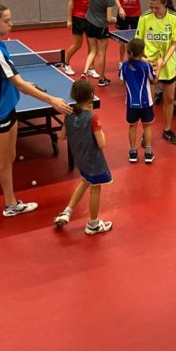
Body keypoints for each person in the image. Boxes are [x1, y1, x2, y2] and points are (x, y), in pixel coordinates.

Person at [0, 3, 73, 233]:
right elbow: (18, 83)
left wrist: (24, 84)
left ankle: (11, 204)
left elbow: (11, 77)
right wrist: (51, 100)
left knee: (9, 157)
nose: (11, 24)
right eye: (6, 21)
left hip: (8, 108)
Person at [52, 79, 113, 235]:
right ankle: (93, 224)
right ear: (92, 96)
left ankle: (67, 212)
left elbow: (62, 136)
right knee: (95, 189)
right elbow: (102, 144)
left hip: (80, 159)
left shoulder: (69, 115)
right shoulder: (93, 118)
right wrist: (101, 131)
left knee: (85, 181)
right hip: (94, 162)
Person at [135, 0, 176, 145]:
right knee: (148, 101)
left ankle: (167, 130)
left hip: (167, 65)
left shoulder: (174, 18)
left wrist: (164, 61)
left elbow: (174, 43)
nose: (153, 10)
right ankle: (146, 133)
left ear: (165, 4)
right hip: (149, 64)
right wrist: (143, 58)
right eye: (151, 6)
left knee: (170, 99)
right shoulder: (145, 18)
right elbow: (137, 42)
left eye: (157, 7)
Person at [83, 0, 129, 86]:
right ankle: (102, 79)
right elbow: (109, 19)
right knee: (102, 53)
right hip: (101, 27)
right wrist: (115, 19)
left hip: (89, 23)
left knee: (93, 51)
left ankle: (85, 72)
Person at [119, 38, 158, 164]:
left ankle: (133, 152)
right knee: (147, 127)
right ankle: (148, 153)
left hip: (131, 103)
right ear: (142, 52)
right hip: (146, 102)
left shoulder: (124, 66)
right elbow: (154, 80)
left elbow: (121, 82)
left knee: (132, 126)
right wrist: (160, 66)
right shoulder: (146, 66)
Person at [115, 0, 149, 67]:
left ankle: (134, 60)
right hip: (123, 14)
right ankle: (121, 62)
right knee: (122, 40)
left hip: (136, 14)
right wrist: (120, 8)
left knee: (135, 40)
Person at [62, 0, 94, 76]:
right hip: (78, 18)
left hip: (90, 18)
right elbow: (71, 2)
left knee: (92, 45)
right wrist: (69, 20)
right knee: (77, 45)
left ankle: (90, 68)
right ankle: (65, 63)